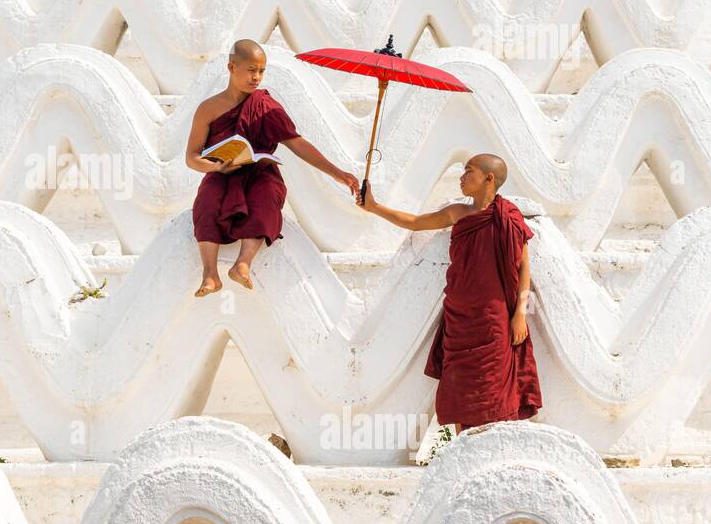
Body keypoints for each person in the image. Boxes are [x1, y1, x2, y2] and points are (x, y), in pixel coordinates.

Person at [358, 154, 542, 432]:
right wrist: (373, 207)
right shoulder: (458, 213)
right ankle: (462, 449)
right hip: (459, 316)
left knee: (492, 387)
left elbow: (524, 266)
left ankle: (492, 448)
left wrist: (520, 314)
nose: (462, 177)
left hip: (494, 318)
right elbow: (415, 222)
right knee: (460, 389)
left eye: (469, 171)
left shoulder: (508, 218)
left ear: (489, 178)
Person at [186, 39, 358, 296]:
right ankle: (210, 274)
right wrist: (215, 168)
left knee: (267, 198)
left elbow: (297, 143)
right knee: (207, 201)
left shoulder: (266, 106)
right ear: (232, 67)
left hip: (259, 172)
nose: (257, 77)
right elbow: (191, 156)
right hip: (221, 174)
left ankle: (242, 264)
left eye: (262, 71)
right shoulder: (208, 109)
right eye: (251, 70)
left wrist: (338, 173)